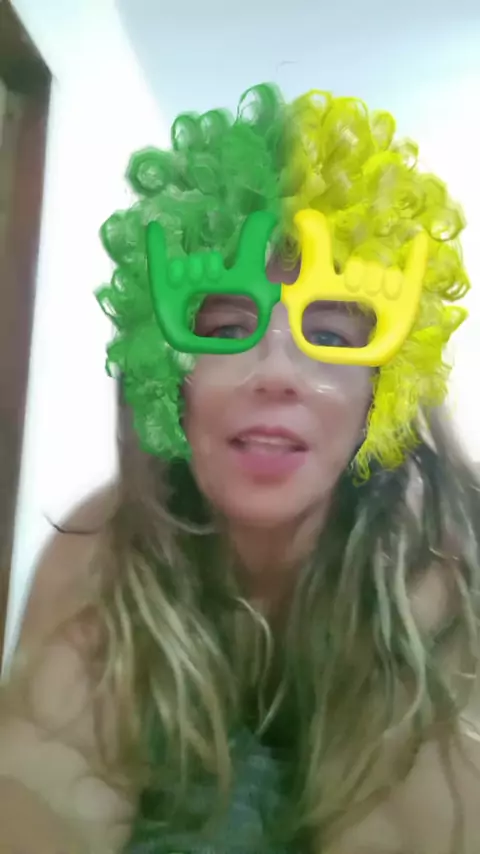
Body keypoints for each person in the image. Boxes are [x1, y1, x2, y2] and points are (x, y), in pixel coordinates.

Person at [1, 83, 479, 854]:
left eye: (331, 333)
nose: (277, 371)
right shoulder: (109, 551)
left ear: (382, 385)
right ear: (168, 369)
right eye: (227, 326)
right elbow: (37, 803)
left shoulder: (443, 573)